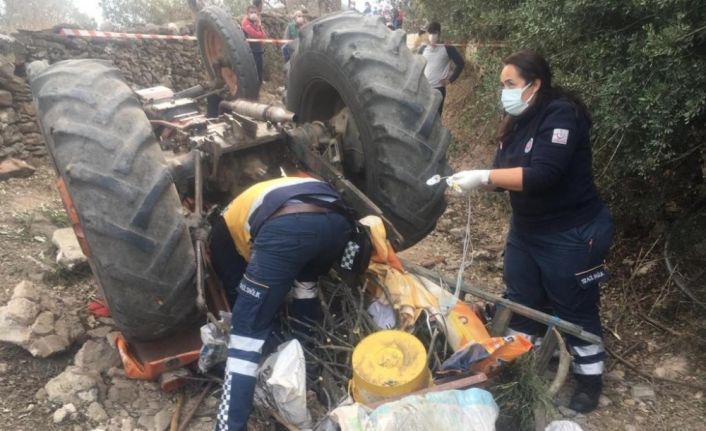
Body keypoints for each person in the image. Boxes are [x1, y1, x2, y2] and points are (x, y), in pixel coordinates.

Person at [447, 50, 614, 413]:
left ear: (534, 85)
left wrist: (486, 177)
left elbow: (542, 175)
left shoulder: (561, 115)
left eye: (511, 84)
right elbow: (503, 174)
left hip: (573, 232)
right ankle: (524, 365)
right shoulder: (517, 121)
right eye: (501, 85)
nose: (503, 92)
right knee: (521, 298)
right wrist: (471, 180)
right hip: (527, 231)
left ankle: (590, 379)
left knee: (575, 307)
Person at [209, 176, 353, 431]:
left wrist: (259, 318)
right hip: (338, 223)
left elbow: (235, 287)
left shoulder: (221, 234)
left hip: (289, 224)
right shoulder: (275, 186)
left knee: (246, 331)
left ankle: (228, 426)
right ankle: (305, 361)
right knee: (305, 286)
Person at [418, 21, 464, 115]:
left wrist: (450, 80)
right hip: (424, 88)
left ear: (439, 34)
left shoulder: (447, 48)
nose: (432, 36)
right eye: (430, 33)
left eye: (435, 33)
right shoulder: (423, 48)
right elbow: (416, 63)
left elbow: (460, 63)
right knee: (422, 115)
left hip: (438, 89)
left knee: (436, 117)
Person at [241, 4, 267, 83]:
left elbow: (263, 36)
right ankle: (253, 82)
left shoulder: (256, 22)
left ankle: (259, 81)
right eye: (251, 12)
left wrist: (259, 26)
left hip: (258, 48)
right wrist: (260, 32)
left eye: (255, 12)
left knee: (259, 66)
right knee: (252, 67)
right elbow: (254, 34)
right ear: (247, 13)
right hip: (249, 49)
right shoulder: (245, 22)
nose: (253, 14)